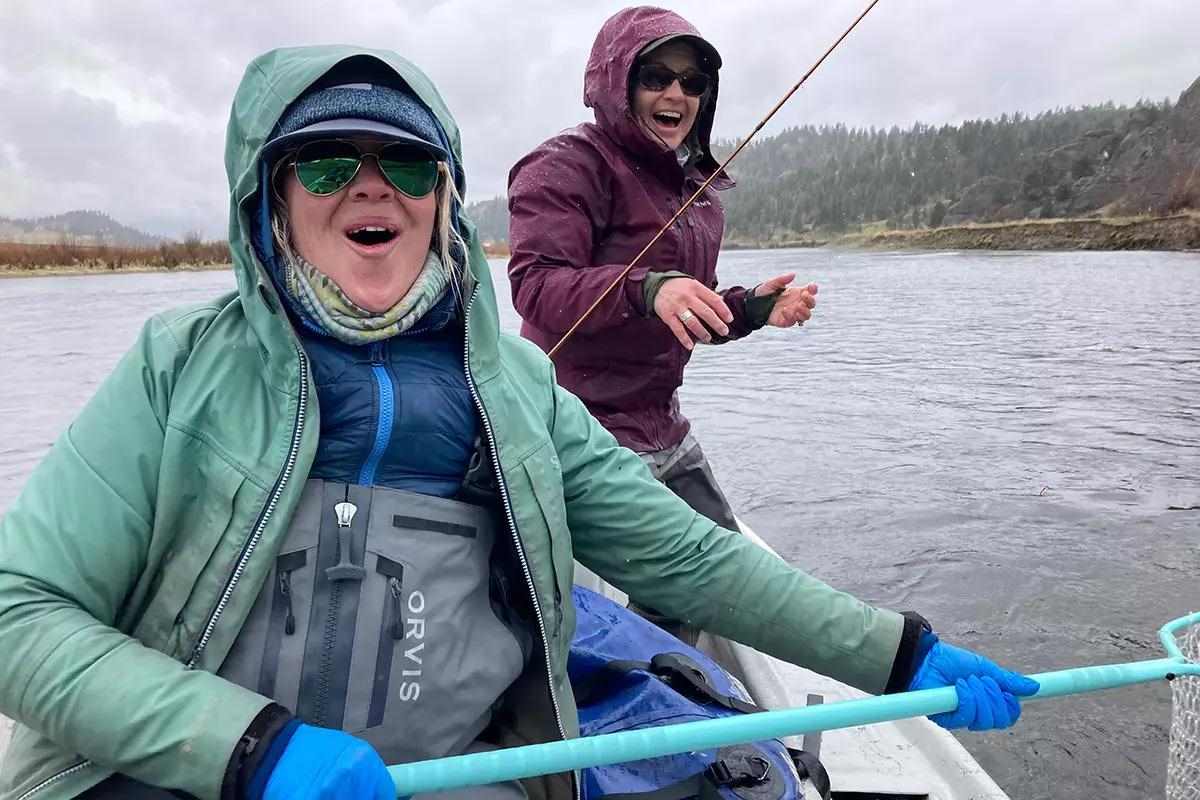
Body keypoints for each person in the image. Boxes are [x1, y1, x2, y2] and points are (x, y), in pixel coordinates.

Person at [0, 45, 1037, 800]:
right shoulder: (173, 369)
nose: (370, 184)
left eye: (405, 164)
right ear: (269, 200)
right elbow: (17, 610)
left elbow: (689, 558)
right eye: (324, 162)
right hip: (173, 778)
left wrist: (895, 654)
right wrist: (248, 746)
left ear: (443, 197)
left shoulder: (520, 390)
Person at [508, 6, 814, 540]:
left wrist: (752, 309)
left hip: (663, 424)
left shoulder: (698, 193)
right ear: (615, 81)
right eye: (656, 76)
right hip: (579, 429)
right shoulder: (566, 165)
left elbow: (689, 309)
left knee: (728, 570)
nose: (677, 94)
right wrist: (649, 288)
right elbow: (536, 285)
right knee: (678, 585)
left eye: (693, 82)